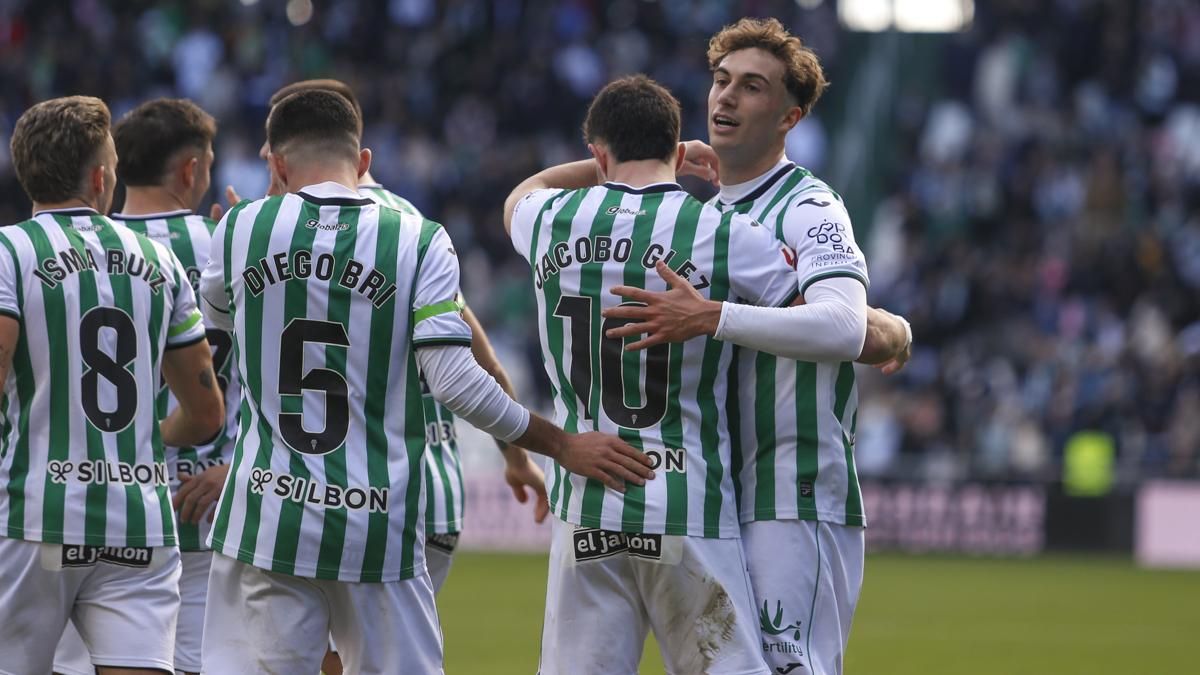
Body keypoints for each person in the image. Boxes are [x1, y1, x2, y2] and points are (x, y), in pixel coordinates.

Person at [197, 89, 652, 674]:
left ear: (278, 166)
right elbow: (457, 380)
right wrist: (557, 444)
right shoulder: (417, 236)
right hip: (376, 520)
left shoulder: (240, 228)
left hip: (267, 516)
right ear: (363, 161)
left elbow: (216, 333)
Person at [604, 18, 909, 675]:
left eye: (752, 86)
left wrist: (711, 315)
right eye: (720, 80)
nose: (727, 96)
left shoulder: (810, 206)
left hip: (791, 488)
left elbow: (842, 326)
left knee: (785, 665)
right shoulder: (699, 216)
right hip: (711, 493)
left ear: (789, 117)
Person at [504, 74, 810, 675]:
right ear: (675, 148)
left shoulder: (548, 218)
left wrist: (611, 163)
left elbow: (523, 191)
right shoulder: (724, 232)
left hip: (586, 507)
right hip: (686, 500)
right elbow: (812, 318)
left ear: (598, 154)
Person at [264, 79, 549, 599]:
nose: (268, 164)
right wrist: (514, 456)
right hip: (425, 499)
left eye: (273, 152)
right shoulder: (409, 226)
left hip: (355, 499)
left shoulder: (295, 231)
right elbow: (479, 352)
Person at [0, 95, 224, 675]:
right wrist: (141, 435)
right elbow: (206, 413)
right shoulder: (160, 262)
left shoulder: (9, 253)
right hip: (137, 520)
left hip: (34, 516)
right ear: (100, 178)